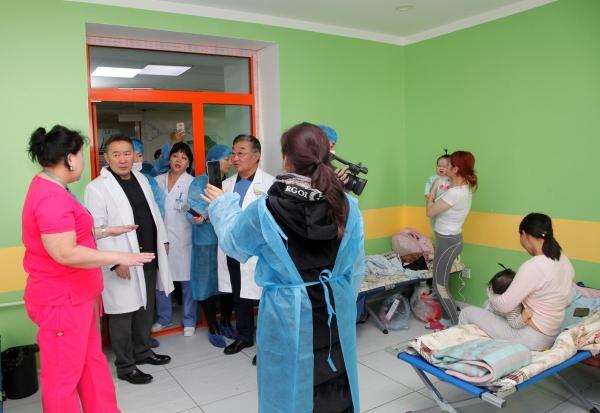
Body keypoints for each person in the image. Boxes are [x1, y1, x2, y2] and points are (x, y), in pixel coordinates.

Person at [202, 122, 365, 413]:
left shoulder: (266, 209)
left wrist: (222, 206)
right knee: (336, 375)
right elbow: (355, 267)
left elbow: (235, 245)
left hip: (289, 312)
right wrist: (342, 300)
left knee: (288, 385)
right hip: (335, 304)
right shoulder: (347, 205)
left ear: (286, 158)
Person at [23, 125, 155, 412]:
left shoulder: (56, 188)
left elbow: (68, 233)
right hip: (62, 301)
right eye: (81, 155)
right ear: (70, 158)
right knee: (63, 378)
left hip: (78, 298)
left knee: (91, 363)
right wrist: (121, 256)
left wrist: (106, 231)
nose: (82, 161)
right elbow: (64, 251)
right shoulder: (50, 196)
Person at [84, 135, 173, 385]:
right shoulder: (96, 188)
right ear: (106, 157)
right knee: (122, 313)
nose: (123, 159)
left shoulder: (142, 179)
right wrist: (115, 262)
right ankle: (125, 366)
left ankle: (143, 352)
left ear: (134, 155)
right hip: (121, 259)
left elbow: (154, 214)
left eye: (127, 153)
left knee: (146, 307)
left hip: (147, 255)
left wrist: (163, 240)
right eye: (116, 154)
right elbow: (96, 229)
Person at [460, 213, 575, 350]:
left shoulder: (533, 266)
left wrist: (490, 292)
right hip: (552, 334)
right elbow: (567, 300)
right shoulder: (564, 261)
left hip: (532, 337)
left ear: (525, 235)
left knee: (466, 312)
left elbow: (503, 306)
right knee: (489, 307)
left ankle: (461, 352)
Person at [215, 134, 275, 356]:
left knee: (265, 298)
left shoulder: (271, 184)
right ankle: (244, 336)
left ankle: (268, 345)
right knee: (239, 295)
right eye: (233, 153)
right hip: (233, 249)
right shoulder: (225, 185)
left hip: (260, 252)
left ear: (256, 156)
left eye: (241, 153)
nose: (235, 158)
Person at [187, 144, 235, 347]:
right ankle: (213, 326)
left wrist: (215, 209)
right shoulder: (199, 182)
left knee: (228, 282)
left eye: (231, 158)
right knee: (206, 283)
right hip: (205, 241)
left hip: (226, 239)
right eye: (226, 158)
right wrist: (213, 211)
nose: (230, 162)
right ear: (213, 161)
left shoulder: (231, 182)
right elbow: (195, 208)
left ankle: (225, 321)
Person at [426, 150, 477, 325]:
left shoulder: (455, 193)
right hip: (449, 240)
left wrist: (432, 191)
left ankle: (456, 325)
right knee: (440, 284)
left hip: (448, 242)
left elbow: (430, 212)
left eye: (448, 165)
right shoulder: (461, 188)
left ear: (456, 169)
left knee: (439, 286)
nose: (444, 168)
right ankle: (446, 320)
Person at [154, 143, 197, 336]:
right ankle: (164, 318)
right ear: (169, 159)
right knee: (161, 280)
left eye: (184, 157)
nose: (179, 160)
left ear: (189, 163)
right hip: (161, 238)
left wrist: (191, 210)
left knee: (187, 281)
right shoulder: (157, 181)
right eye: (175, 156)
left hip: (184, 238)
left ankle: (189, 320)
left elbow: (197, 209)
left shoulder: (192, 183)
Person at [131, 138, 165, 217]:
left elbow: (159, 209)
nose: (136, 160)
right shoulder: (112, 181)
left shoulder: (148, 180)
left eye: (139, 155)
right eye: (131, 155)